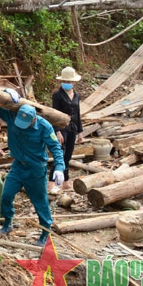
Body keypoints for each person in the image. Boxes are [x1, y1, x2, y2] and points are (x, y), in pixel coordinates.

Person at [0, 102, 65, 246]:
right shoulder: (12, 118)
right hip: (18, 166)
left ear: (34, 119)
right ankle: (8, 222)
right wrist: (7, 93)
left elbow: (55, 147)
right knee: (6, 195)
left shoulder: (44, 126)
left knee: (40, 202)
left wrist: (60, 167)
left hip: (36, 169)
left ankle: (45, 232)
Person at [49, 66, 83, 194]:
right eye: (65, 81)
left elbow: (78, 114)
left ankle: (66, 180)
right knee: (60, 155)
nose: (67, 84)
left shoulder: (76, 95)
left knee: (68, 155)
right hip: (62, 128)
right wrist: (57, 131)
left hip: (72, 128)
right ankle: (52, 181)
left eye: (69, 82)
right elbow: (54, 114)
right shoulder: (57, 95)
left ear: (74, 82)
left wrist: (80, 131)